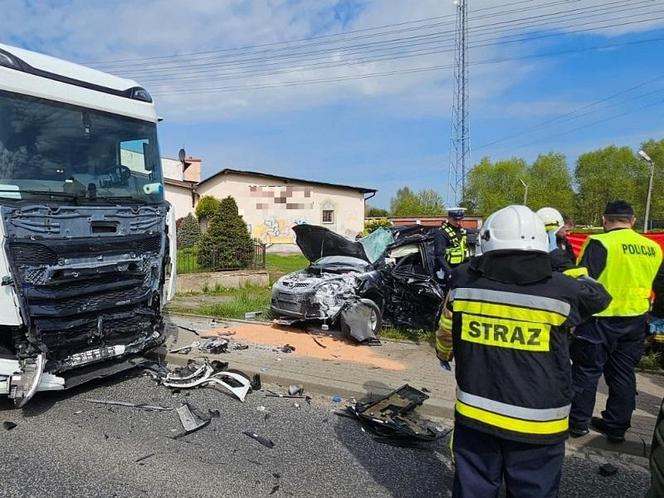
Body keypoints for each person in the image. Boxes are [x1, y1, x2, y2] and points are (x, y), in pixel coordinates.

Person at [435, 205, 611, 497]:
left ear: (486, 241)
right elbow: (599, 297)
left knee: (473, 488)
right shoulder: (562, 290)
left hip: (476, 413)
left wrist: (443, 354)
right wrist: (567, 268)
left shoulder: (464, 282)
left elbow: (444, 330)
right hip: (538, 423)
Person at [569, 200, 664, 442]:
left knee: (586, 372)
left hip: (599, 320)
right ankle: (617, 426)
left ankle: (578, 423)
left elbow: (583, 281)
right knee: (623, 373)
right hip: (635, 319)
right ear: (632, 221)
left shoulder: (600, 242)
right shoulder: (652, 247)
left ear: (604, 220)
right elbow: (660, 283)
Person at [536, 206, 575, 272]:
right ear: (558, 227)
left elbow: (571, 260)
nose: (569, 234)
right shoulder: (543, 243)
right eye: (567, 230)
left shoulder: (565, 242)